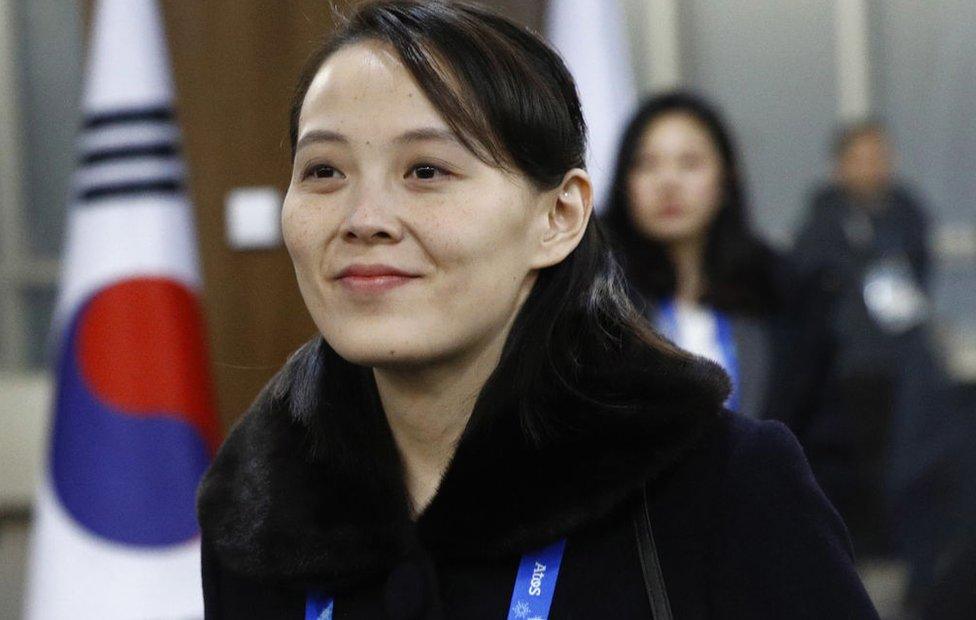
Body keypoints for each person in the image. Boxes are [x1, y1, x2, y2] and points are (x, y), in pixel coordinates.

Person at [196, 2, 878, 618]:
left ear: (559, 214)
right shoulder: (260, 513)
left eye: (426, 171)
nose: (363, 219)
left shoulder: (720, 487)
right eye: (324, 172)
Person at [602, 92, 785, 420]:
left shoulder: (781, 298)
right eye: (646, 164)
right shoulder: (593, 304)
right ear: (623, 183)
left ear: (727, 180)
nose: (668, 182)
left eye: (689, 163)